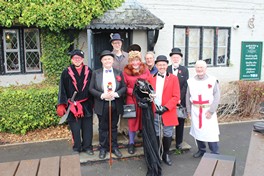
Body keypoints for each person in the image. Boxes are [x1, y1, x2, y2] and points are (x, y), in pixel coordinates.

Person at [89, 50, 126, 159]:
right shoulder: (96, 73)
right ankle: (103, 148)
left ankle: (114, 147)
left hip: (115, 103)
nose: (107, 61)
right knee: (103, 127)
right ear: (101, 61)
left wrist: (116, 93)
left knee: (113, 127)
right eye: (105, 59)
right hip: (102, 104)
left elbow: (124, 87)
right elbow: (91, 89)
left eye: (109, 58)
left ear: (113, 60)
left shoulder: (119, 73)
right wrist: (101, 95)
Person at [56, 49, 94, 155]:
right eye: (75, 58)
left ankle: (87, 147)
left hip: (86, 104)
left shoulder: (89, 71)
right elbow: (62, 89)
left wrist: (95, 103)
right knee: (75, 129)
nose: (77, 60)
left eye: (79, 58)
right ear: (72, 59)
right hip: (72, 105)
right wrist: (61, 104)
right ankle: (77, 147)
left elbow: (92, 88)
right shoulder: (65, 72)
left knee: (87, 128)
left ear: (82, 59)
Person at [148, 55, 180, 166]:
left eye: (164, 64)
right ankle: (157, 153)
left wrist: (166, 107)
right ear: (156, 65)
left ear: (167, 65)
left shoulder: (174, 78)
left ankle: (166, 153)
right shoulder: (151, 78)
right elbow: (147, 94)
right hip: (155, 110)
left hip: (168, 110)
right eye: (159, 64)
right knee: (156, 132)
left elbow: (176, 96)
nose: (162, 66)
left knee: (167, 133)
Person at [186, 60, 221, 158]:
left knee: (210, 132)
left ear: (206, 68)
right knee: (198, 131)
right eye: (197, 67)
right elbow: (187, 96)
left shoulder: (212, 80)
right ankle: (201, 150)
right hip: (196, 110)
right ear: (195, 68)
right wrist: (188, 111)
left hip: (208, 110)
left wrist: (211, 111)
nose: (199, 69)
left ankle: (214, 152)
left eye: (201, 67)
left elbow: (217, 96)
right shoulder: (191, 81)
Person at [123, 50, 150, 154]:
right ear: (130, 61)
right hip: (131, 100)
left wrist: (144, 91)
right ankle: (131, 143)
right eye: (132, 60)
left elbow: (149, 82)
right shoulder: (125, 71)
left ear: (140, 60)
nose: (135, 63)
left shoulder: (145, 69)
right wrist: (133, 91)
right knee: (132, 122)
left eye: (137, 60)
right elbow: (123, 86)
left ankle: (146, 142)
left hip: (143, 100)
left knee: (144, 120)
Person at [167, 48, 189, 151]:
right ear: (171, 58)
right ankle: (168, 138)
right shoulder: (167, 69)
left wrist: (179, 98)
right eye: (174, 57)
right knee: (169, 120)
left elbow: (185, 85)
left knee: (180, 121)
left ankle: (179, 142)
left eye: (177, 57)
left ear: (180, 58)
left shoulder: (184, 70)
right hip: (169, 100)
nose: (175, 59)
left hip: (180, 100)